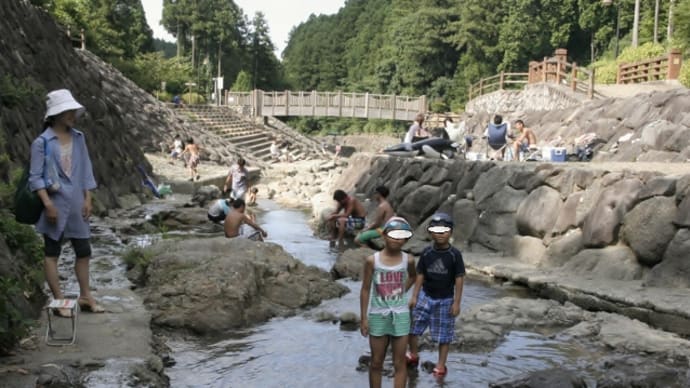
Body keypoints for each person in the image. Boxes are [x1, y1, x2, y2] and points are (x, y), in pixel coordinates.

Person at [29, 89, 102, 317]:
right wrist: (47, 204)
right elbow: (35, 177)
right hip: (55, 205)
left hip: (78, 204)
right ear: (56, 114)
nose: (72, 114)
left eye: (73, 110)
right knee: (52, 252)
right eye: (67, 111)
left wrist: (88, 198)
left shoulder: (79, 138)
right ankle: (59, 300)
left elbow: (86, 170)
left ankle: (86, 296)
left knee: (83, 250)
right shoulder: (42, 142)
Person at [360, 217, 417, 388]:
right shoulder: (373, 261)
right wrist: (363, 318)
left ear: (406, 239)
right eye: (393, 235)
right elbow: (365, 289)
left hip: (400, 315)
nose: (397, 239)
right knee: (376, 362)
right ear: (384, 235)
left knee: (400, 362)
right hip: (378, 314)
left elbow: (414, 276)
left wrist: (402, 291)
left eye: (401, 236)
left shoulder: (408, 260)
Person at [407, 213, 465, 378]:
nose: (440, 234)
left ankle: (440, 365)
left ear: (451, 232)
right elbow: (420, 274)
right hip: (425, 295)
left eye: (444, 231)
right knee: (413, 328)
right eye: (436, 231)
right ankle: (413, 354)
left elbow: (459, 278)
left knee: (444, 336)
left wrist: (457, 303)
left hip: (445, 299)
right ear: (430, 232)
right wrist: (414, 296)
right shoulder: (426, 253)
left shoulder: (455, 255)